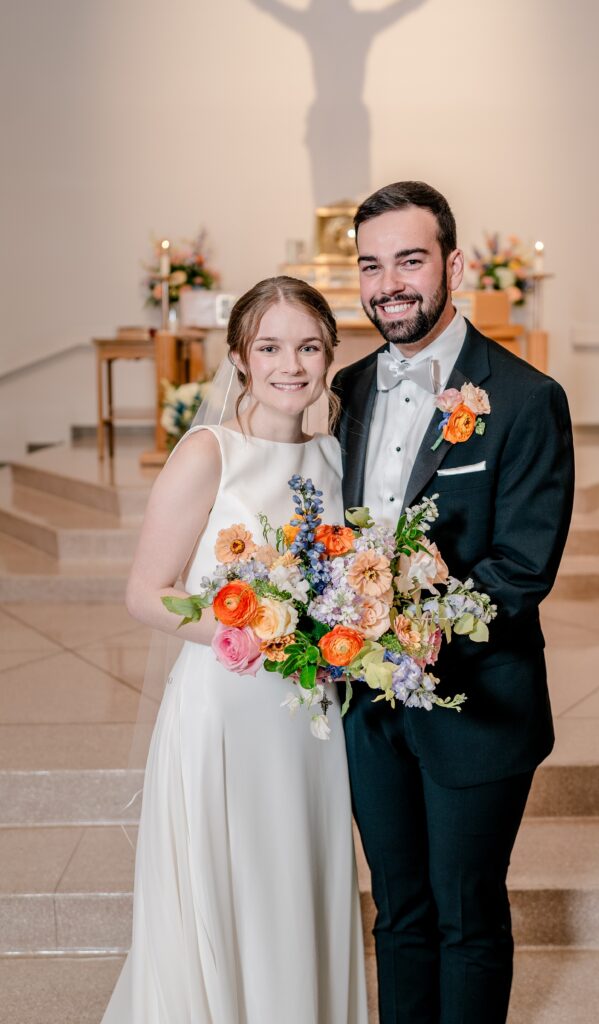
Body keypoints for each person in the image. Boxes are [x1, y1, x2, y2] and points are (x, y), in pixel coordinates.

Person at [332, 181, 575, 1023]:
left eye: (409, 259)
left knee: (466, 916)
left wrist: (411, 627)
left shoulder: (523, 397)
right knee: (397, 914)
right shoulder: (343, 393)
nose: (388, 282)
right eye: (370, 265)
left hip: (476, 702)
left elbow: (521, 565)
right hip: (368, 707)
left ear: (453, 265)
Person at [102, 277, 368, 1024]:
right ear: (240, 359)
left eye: (309, 346)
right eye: (271, 346)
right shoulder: (207, 452)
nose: (292, 364)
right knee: (234, 884)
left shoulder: (333, 459)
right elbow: (145, 593)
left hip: (306, 716)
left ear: (328, 355)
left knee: (297, 881)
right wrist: (251, 634)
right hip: (225, 708)